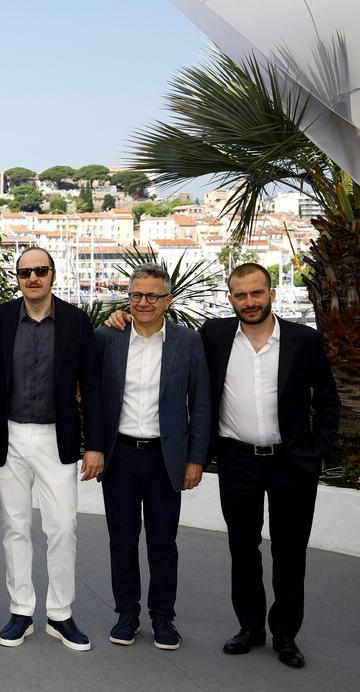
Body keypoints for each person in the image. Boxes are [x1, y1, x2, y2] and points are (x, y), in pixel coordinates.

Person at [109, 263, 340, 667]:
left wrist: (318, 451)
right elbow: (186, 381)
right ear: (230, 298)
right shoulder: (213, 337)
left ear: (271, 294)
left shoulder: (304, 340)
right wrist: (124, 315)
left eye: (256, 294)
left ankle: (285, 634)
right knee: (242, 548)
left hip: (291, 462)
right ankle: (250, 627)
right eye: (240, 295)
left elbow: (328, 399)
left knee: (289, 552)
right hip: (237, 461)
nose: (249, 302)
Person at [0, 247, 105, 652]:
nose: (32, 278)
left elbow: (91, 385)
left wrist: (95, 446)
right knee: (15, 528)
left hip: (59, 438)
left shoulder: (75, 321)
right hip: (10, 437)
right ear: (17, 278)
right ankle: (21, 611)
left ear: (53, 274)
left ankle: (60, 615)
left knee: (62, 529)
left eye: (40, 270)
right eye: (25, 272)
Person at [93, 263, 211, 651]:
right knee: (122, 541)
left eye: (152, 296)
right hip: (120, 455)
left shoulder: (187, 342)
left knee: (163, 542)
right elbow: (89, 396)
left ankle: (163, 617)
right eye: (136, 295)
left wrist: (196, 459)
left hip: (165, 457)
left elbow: (202, 403)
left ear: (168, 300)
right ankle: (127, 613)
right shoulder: (108, 337)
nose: (143, 303)